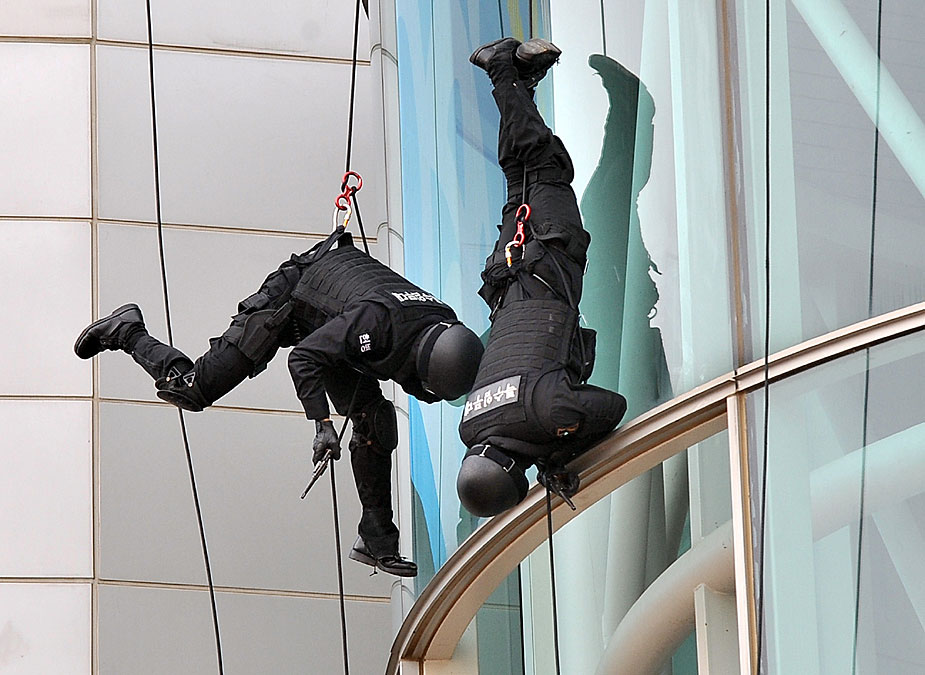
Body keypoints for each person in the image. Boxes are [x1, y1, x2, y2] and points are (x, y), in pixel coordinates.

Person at [74, 227, 484, 577]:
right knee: (193, 390)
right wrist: (322, 424)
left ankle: (377, 539)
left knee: (375, 421)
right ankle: (127, 330)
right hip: (293, 298)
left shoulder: (444, 324)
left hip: (334, 321)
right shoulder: (379, 324)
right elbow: (303, 359)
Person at [456, 37, 627, 517]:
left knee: (546, 167)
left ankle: (500, 69)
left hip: (547, 261)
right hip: (506, 277)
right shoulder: (471, 427)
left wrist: (556, 456)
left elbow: (612, 408)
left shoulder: (549, 413)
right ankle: (521, 81)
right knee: (520, 175)